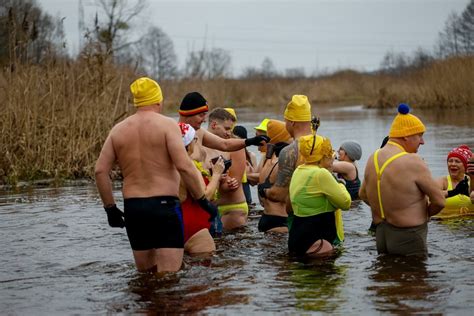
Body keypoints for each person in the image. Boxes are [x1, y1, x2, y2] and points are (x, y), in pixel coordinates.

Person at [95, 77, 216, 272]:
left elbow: (100, 171)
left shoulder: (118, 130)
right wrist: (203, 201)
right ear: (158, 100)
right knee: (169, 276)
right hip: (164, 207)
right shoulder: (167, 126)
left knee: (145, 276)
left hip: (134, 208)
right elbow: (184, 166)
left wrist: (110, 209)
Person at [359, 103, 445, 256]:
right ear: (406, 135)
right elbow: (439, 201)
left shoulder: (374, 157)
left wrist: (386, 210)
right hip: (409, 235)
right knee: (414, 278)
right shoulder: (413, 161)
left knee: (388, 275)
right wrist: (425, 214)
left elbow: (363, 194)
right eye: (420, 136)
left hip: (382, 235)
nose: (422, 142)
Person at [288, 135, 351, 257]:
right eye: (329, 152)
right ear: (323, 154)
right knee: (323, 276)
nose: (332, 155)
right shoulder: (320, 174)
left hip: (297, 235)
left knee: (301, 275)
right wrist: (341, 185)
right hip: (317, 240)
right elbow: (345, 203)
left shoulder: (299, 170)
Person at [259, 95, 319, 216]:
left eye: (285, 121)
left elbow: (279, 194)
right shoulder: (324, 144)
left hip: (302, 218)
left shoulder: (289, 151)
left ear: (291, 122)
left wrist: (264, 191)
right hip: (326, 217)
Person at [177, 92, 269, 165]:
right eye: (201, 115)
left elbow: (224, 144)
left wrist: (250, 141)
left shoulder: (199, 132)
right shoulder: (174, 134)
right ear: (187, 114)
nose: (204, 120)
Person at [177, 122, 223, 253]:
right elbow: (205, 196)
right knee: (204, 270)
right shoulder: (188, 167)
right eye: (195, 140)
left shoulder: (167, 165)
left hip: (173, 224)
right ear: (190, 143)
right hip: (195, 227)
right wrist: (217, 174)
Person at [204, 108, 248, 230]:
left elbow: (233, 184)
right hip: (208, 207)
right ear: (213, 125)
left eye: (231, 129)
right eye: (227, 129)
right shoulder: (198, 144)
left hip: (232, 207)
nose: (229, 133)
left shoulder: (235, 145)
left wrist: (222, 179)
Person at [257, 119, 293, 233]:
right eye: (290, 137)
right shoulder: (282, 163)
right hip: (280, 220)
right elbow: (281, 195)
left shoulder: (266, 160)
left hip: (266, 217)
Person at [432, 145, 474, 219]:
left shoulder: (472, 180)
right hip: (447, 226)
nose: (453, 164)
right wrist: (454, 192)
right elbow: (431, 197)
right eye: (450, 161)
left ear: (466, 166)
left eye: (457, 161)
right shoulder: (442, 182)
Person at [233, 125, 258, 207]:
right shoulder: (226, 154)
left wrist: (247, 172)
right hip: (232, 199)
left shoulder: (251, 156)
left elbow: (254, 182)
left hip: (247, 199)